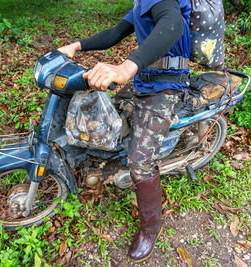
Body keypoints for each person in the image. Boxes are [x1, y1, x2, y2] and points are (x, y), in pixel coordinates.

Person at [58, 0, 191, 262]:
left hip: (166, 86)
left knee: (141, 163)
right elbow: (115, 33)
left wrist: (126, 67)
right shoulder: (142, 3)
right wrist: (77, 45)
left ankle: (151, 228)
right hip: (145, 80)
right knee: (107, 118)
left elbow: (173, 24)